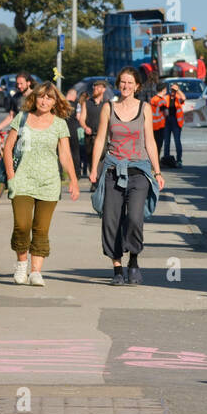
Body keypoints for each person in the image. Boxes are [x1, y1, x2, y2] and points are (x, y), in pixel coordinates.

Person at [89, 66, 164, 285]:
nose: (126, 86)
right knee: (111, 220)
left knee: (134, 218)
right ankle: (117, 269)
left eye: (130, 83)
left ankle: (133, 261)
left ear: (137, 86)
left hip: (139, 171)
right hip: (113, 171)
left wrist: (157, 171)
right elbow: (100, 139)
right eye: (122, 82)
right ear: (118, 83)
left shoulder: (145, 108)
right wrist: (94, 168)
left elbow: (150, 141)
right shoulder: (108, 108)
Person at [2, 82, 80, 287]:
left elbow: (64, 154)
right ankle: (21, 265)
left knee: (41, 229)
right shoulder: (22, 118)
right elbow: (7, 148)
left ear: (55, 102)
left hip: (49, 183)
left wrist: (73, 180)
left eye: (49, 98)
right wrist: (11, 176)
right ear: (34, 98)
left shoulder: (59, 124)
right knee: (22, 225)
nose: (44, 101)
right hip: (22, 181)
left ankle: (36, 271)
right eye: (41, 97)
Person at [161, 82, 185, 167]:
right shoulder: (166, 98)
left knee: (177, 141)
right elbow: (162, 103)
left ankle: (179, 160)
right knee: (166, 141)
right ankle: (166, 159)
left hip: (176, 121)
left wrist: (178, 90)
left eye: (174, 90)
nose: (173, 92)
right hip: (167, 121)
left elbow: (184, 98)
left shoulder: (178, 98)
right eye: (172, 90)